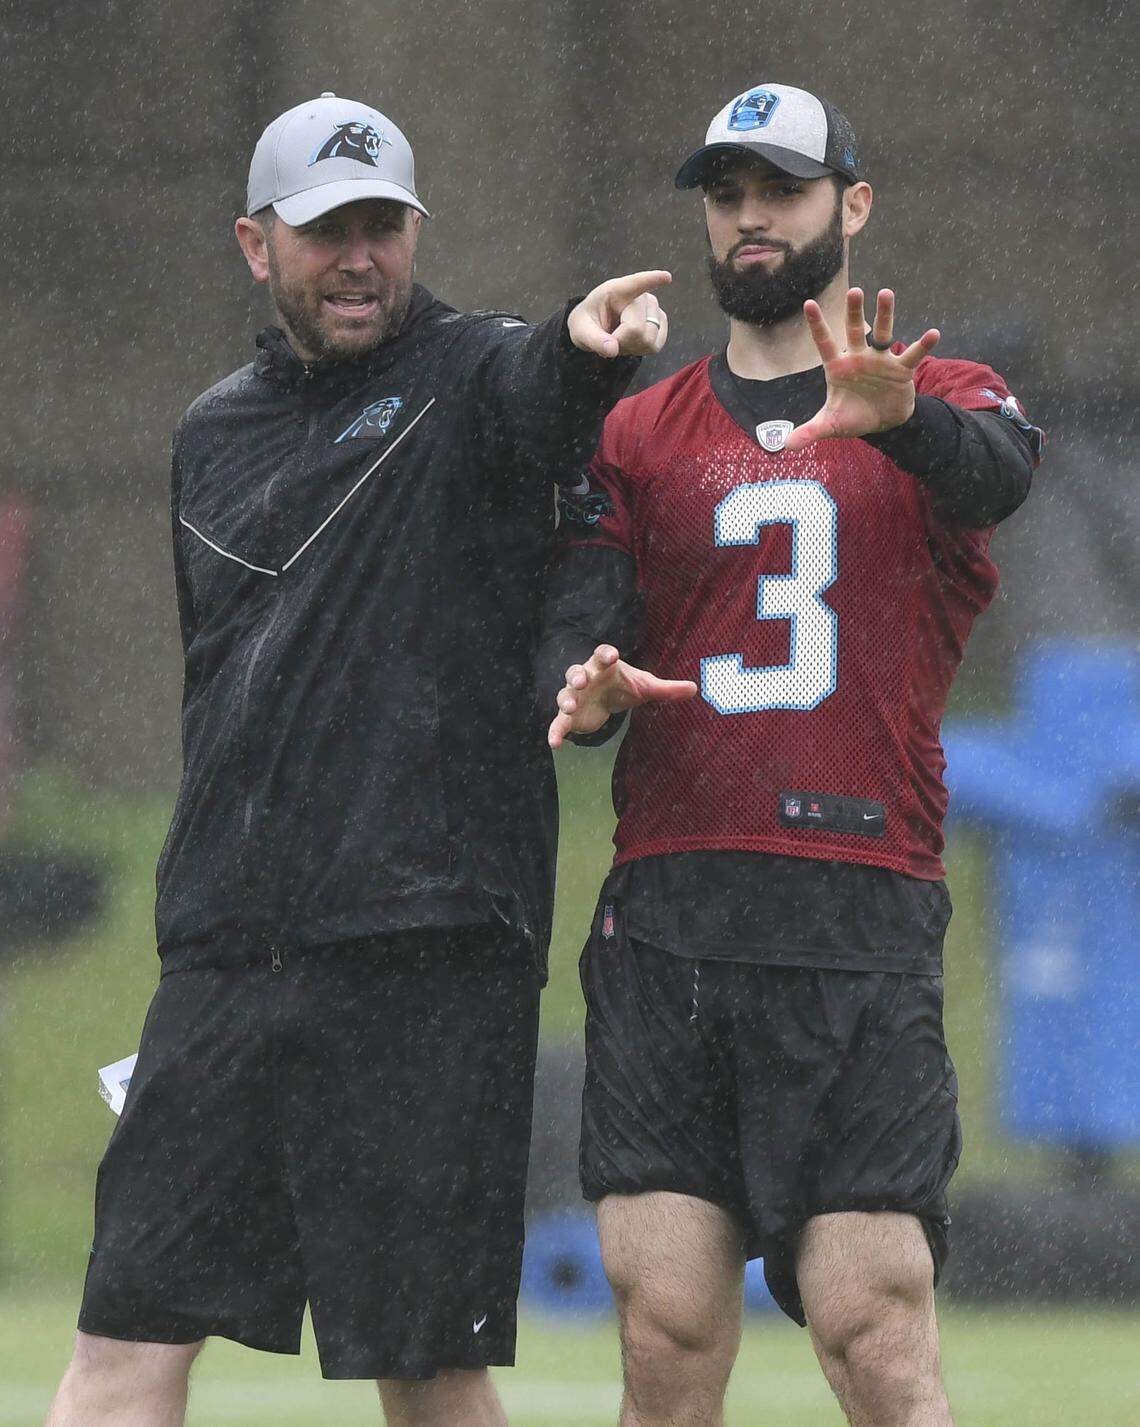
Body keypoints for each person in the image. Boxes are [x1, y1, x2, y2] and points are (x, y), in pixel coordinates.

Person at [47, 91, 669, 1427]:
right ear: (254, 243)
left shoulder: (475, 376)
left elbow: (540, 384)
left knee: (425, 1366)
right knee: (121, 1343)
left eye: (383, 226)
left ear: (415, 234)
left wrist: (587, 349)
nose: (359, 258)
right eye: (327, 230)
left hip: (424, 950)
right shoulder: (211, 434)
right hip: (227, 952)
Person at [542, 82, 1043, 1427]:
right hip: (672, 912)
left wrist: (903, 419)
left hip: (856, 906)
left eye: (783, 189)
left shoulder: (937, 396)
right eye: (728, 195)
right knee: (665, 1333)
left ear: (852, 205)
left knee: (871, 1330)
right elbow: (585, 630)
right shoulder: (638, 430)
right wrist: (586, 685)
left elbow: (999, 474)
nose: (752, 216)